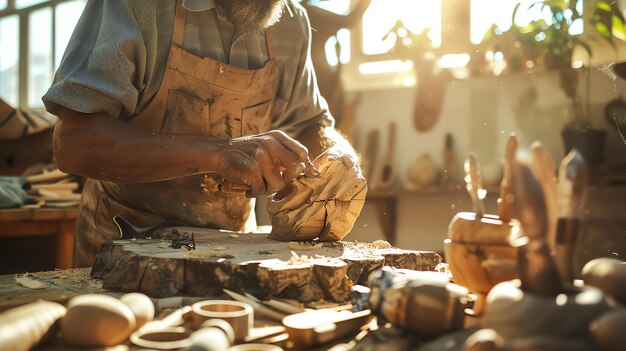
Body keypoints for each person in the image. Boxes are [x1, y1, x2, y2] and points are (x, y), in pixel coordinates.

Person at [43, 0, 363, 267]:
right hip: (122, 246)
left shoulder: (290, 20)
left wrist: (338, 157)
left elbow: (313, 124)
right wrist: (220, 153)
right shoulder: (141, 6)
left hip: (234, 257)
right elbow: (73, 142)